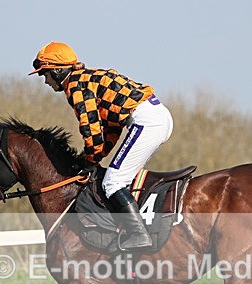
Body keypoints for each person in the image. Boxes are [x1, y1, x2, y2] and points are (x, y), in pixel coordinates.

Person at [29, 41, 173, 251]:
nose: (45, 81)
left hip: (146, 121)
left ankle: (138, 234)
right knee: (117, 177)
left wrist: (87, 161)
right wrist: (94, 158)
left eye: (45, 74)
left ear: (58, 70)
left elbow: (92, 133)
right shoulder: (87, 78)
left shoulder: (76, 85)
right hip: (155, 117)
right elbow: (110, 132)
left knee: (113, 182)